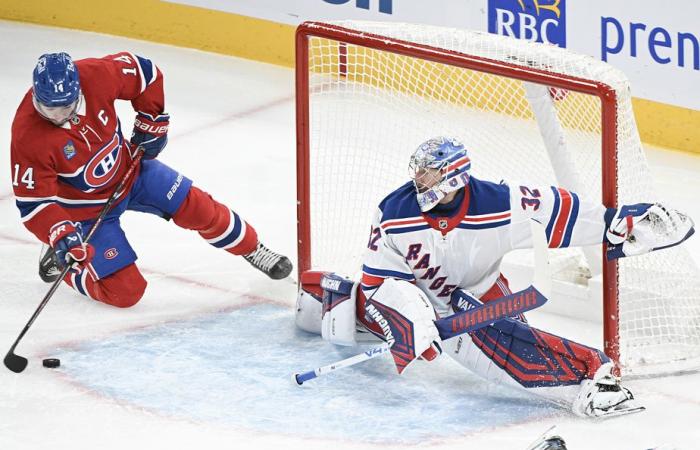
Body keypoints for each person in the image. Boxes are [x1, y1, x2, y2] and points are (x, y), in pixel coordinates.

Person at [295, 136, 694, 418]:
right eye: (418, 172)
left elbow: (564, 212)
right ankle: (333, 304)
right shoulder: (395, 211)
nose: (419, 180)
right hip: (418, 298)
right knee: (340, 309)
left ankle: (592, 378)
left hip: (480, 298)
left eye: (429, 174)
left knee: (503, 347)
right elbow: (379, 281)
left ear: (452, 177)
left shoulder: (502, 204)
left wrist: (625, 223)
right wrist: (413, 319)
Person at [10, 52, 292, 308]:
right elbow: (35, 204)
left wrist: (152, 118)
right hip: (86, 211)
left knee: (201, 208)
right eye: (49, 109)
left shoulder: (97, 75)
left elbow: (146, 73)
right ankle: (69, 267)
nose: (58, 116)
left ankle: (254, 249)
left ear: (78, 90)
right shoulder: (28, 135)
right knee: (126, 293)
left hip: (131, 171)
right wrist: (59, 231)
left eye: (65, 107)